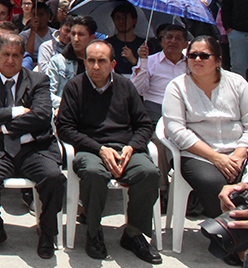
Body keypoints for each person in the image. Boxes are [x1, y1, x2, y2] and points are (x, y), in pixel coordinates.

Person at [55, 40, 161, 263]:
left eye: (101, 61)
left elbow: (144, 124)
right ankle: (93, 233)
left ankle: (133, 233)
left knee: (149, 173)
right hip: (90, 149)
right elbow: (65, 128)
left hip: (125, 149)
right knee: (94, 174)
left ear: (112, 63)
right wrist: (100, 149)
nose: (95, 66)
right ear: (84, 63)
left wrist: (132, 147)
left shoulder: (125, 86)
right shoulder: (75, 87)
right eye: (91, 61)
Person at [0, 33, 65, 259]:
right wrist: (16, 112)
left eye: (16, 55)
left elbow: (42, 116)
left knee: (54, 177)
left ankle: (47, 232)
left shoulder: (38, 80)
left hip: (35, 149)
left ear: (23, 56)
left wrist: (3, 127)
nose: (10, 60)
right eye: (5, 55)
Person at [163, 35, 248, 220]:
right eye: (192, 56)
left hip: (239, 151)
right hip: (199, 155)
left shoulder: (238, 83)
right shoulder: (177, 87)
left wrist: (239, 155)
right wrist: (216, 157)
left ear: (218, 60)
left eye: (204, 56)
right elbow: (176, 131)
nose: (197, 60)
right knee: (213, 182)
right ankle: (232, 237)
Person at [130, 24, 187, 125]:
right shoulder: (150, 61)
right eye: (169, 37)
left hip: (183, 109)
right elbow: (136, 89)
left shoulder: (190, 64)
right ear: (162, 41)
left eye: (178, 38)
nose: (173, 41)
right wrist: (143, 61)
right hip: (155, 108)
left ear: (185, 44)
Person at [44, 15, 96, 112]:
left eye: (81, 34)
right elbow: (47, 94)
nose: (76, 39)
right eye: (73, 34)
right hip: (64, 113)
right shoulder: (57, 61)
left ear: (92, 37)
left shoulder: (98, 63)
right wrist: (69, 103)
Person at [105, 2, 147, 76]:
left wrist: (134, 60)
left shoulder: (145, 45)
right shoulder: (106, 45)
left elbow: (151, 70)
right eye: (117, 18)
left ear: (134, 20)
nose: (121, 21)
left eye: (125, 17)